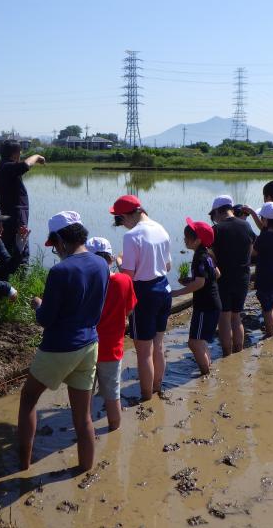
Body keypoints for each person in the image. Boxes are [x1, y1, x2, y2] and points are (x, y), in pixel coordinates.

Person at [18, 211, 109, 472]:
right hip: (90, 343)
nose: (55, 250)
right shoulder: (101, 264)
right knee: (83, 416)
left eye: (54, 244)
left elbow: (45, 319)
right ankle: (85, 470)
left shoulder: (60, 271)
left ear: (60, 239)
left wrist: (38, 305)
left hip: (60, 346)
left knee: (28, 399)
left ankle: (22, 466)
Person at [110, 195, 172, 400]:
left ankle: (146, 397)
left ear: (131, 215)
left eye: (120, 219)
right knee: (159, 345)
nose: (122, 224)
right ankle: (156, 387)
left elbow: (128, 276)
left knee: (144, 351)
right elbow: (168, 266)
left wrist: (119, 261)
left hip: (144, 293)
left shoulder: (132, 236)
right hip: (164, 289)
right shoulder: (161, 228)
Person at [86, 236, 136, 431]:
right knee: (113, 395)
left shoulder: (85, 281)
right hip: (113, 348)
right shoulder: (124, 281)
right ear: (111, 258)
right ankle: (114, 430)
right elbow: (129, 311)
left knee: (85, 395)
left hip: (86, 346)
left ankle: (86, 433)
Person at [171, 218, 220, 375]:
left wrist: (177, 292)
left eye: (187, 237)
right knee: (200, 341)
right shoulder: (207, 254)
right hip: (212, 303)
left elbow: (200, 283)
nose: (184, 239)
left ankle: (206, 373)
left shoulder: (200, 257)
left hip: (205, 305)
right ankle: (208, 367)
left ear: (197, 240)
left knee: (194, 342)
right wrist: (191, 281)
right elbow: (217, 274)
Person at [210, 195, 256, 355]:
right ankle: (238, 351)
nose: (213, 218)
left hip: (224, 279)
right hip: (243, 277)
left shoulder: (217, 230)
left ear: (218, 211)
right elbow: (250, 252)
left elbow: (211, 256)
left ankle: (227, 353)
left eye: (213, 215)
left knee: (224, 318)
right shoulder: (246, 226)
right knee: (236, 317)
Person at [0, 140, 46, 260]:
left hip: (9, 215)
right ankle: (20, 275)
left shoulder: (2, 167)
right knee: (20, 247)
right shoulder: (7, 167)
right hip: (16, 216)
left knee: (10, 246)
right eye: (20, 152)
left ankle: (10, 274)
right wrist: (37, 156)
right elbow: (25, 165)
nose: (21, 154)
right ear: (15, 153)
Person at [252, 202, 273, 338]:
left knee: (266, 308)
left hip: (266, 274)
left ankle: (270, 333)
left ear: (265, 220)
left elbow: (253, 253)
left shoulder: (264, 237)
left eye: (261, 218)